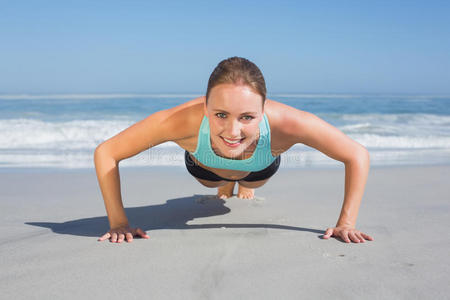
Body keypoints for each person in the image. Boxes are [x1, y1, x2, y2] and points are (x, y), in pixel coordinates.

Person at [94, 56, 374, 244]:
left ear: (264, 111)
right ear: (205, 107)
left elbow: (356, 155)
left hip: (259, 165)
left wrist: (345, 223)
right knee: (213, 182)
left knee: (252, 180)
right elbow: (107, 152)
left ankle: (242, 183)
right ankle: (226, 184)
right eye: (220, 115)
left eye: (247, 117)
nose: (232, 131)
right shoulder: (181, 120)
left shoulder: (289, 123)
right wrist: (118, 222)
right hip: (205, 167)